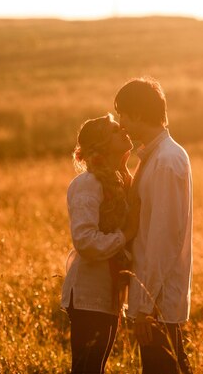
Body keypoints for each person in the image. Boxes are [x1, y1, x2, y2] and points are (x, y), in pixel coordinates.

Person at [114, 78, 193, 374]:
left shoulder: (166, 161)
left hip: (158, 301)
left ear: (137, 113)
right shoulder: (155, 156)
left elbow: (164, 236)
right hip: (154, 298)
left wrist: (146, 305)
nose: (121, 123)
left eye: (123, 114)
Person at [61, 114, 140, 374]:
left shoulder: (115, 182)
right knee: (87, 369)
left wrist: (123, 168)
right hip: (88, 292)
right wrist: (125, 235)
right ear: (103, 144)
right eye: (116, 130)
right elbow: (85, 242)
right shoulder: (87, 184)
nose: (125, 130)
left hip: (107, 293)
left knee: (96, 368)